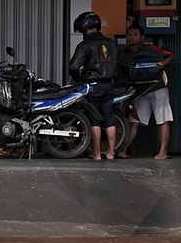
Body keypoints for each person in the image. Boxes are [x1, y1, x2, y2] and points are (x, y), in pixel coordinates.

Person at [117, 25, 174, 160]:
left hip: (157, 88)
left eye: (135, 34)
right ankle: (123, 150)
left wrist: (161, 64)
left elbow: (171, 55)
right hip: (139, 92)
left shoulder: (151, 48)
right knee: (134, 122)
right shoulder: (124, 53)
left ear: (141, 37)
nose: (131, 37)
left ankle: (163, 152)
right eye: (129, 34)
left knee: (163, 119)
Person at [68, 11, 118, 160]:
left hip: (93, 86)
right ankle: (111, 153)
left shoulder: (85, 45)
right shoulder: (112, 44)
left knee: (94, 120)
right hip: (109, 85)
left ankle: (96, 154)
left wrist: (78, 80)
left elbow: (73, 67)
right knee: (109, 119)